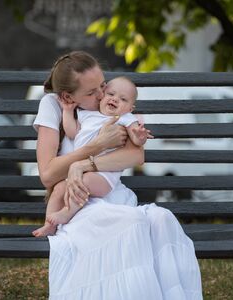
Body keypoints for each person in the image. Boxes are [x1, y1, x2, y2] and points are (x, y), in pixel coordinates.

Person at [34, 51, 202, 299]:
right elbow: (48, 174)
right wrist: (95, 147)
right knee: (130, 224)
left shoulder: (115, 108)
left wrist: (85, 164)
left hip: (109, 191)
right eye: (92, 93)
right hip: (77, 200)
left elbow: (135, 157)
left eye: (102, 85)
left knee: (159, 219)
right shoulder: (54, 105)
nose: (103, 94)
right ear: (68, 96)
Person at [36, 76, 151, 232]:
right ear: (102, 95)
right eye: (111, 94)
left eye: (123, 99)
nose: (115, 99)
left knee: (83, 183)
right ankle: (49, 224)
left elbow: (136, 142)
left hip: (103, 175)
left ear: (130, 108)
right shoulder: (88, 114)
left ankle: (66, 213)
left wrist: (139, 136)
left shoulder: (125, 118)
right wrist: (68, 112)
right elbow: (72, 132)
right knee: (60, 188)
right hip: (80, 171)